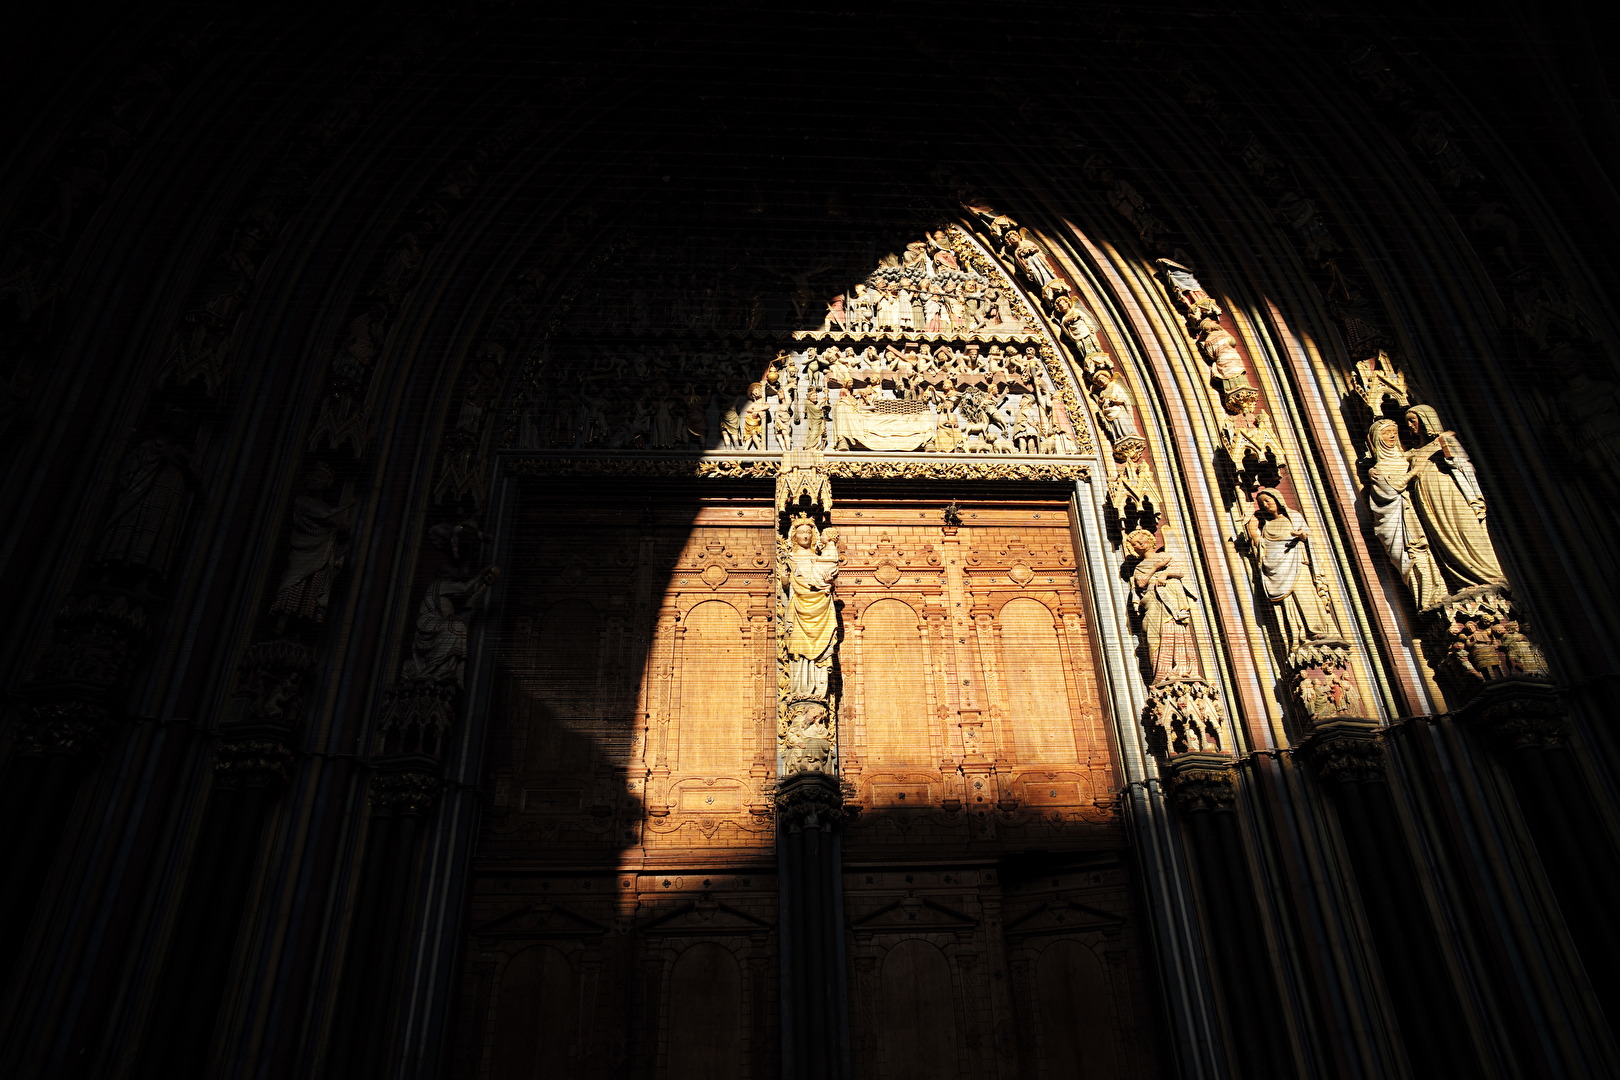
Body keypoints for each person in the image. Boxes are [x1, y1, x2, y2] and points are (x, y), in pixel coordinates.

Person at [1403, 405, 1507, 592]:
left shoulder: (1445, 439)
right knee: (1443, 536)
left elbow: (1463, 465)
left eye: (1413, 420)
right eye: (1408, 422)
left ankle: (1490, 573)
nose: (1410, 425)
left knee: (1465, 527)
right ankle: (1468, 579)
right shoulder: (1415, 451)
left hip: (1448, 491)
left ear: (1426, 419)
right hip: (1428, 497)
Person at [1365, 418, 1447, 610]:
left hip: (1414, 518)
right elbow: (1390, 488)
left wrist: (1441, 437)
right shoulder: (1377, 470)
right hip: (1397, 524)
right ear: (1377, 438)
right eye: (1386, 433)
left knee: (1426, 553)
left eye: (1394, 431)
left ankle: (1440, 593)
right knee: (1412, 558)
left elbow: (1424, 450)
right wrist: (1413, 472)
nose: (1392, 436)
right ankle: (1427, 602)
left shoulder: (1404, 458)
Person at [1243, 488, 1333, 644]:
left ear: (1277, 500)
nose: (1265, 505)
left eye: (1267, 500)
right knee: (1289, 604)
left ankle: (1318, 629)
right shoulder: (1267, 527)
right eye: (1261, 503)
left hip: (1298, 565)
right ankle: (1300, 635)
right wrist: (1253, 533)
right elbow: (1263, 548)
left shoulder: (1293, 517)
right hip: (1278, 570)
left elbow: (1309, 537)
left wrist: (1303, 536)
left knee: (1306, 597)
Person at [781, 518, 841, 699]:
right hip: (798, 607)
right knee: (798, 648)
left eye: (808, 532)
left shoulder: (820, 558)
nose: (805, 536)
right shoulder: (789, 558)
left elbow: (825, 579)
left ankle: (817, 691)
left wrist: (828, 582)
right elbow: (785, 587)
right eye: (801, 532)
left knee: (819, 652)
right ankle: (800, 690)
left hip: (819, 607)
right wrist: (785, 579)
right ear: (794, 535)